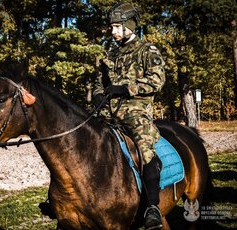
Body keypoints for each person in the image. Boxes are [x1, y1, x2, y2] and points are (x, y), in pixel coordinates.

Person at [93, 2, 166, 229]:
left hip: (136, 112)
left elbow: (157, 80)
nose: (112, 31)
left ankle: (152, 207)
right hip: (107, 112)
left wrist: (127, 88)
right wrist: (97, 95)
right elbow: (98, 82)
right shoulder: (110, 54)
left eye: (116, 26)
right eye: (111, 27)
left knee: (145, 149)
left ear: (129, 26)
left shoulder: (147, 51)